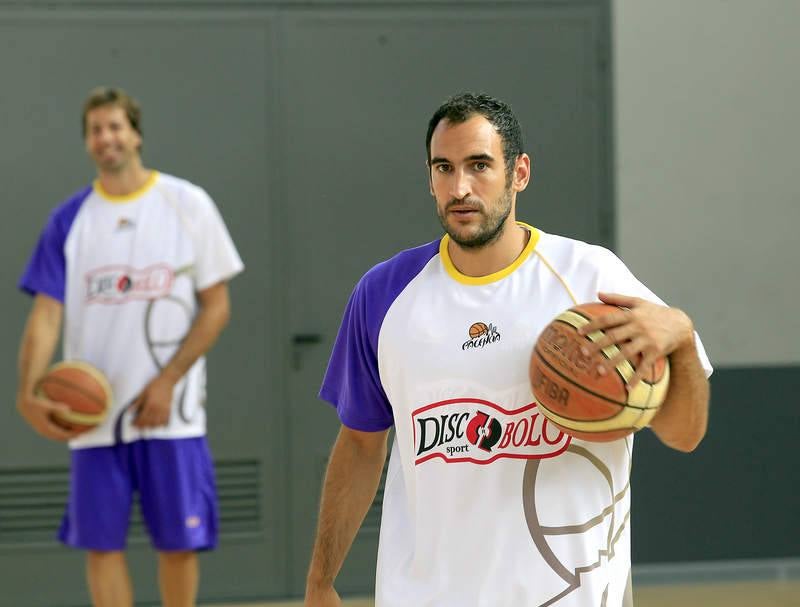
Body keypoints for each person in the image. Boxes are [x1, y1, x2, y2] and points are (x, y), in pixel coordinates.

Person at [304, 92, 711, 607]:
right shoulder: (384, 295)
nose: (460, 188)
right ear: (429, 178)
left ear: (519, 173)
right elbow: (361, 445)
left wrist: (681, 337)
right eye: (444, 168)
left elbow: (685, 434)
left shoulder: (590, 280)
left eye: (479, 166)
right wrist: (320, 580)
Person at [16, 86, 244, 607]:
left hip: (171, 412)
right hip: (91, 415)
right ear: (87, 142)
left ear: (136, 134)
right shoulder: (69, 220)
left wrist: (167, 381)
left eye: (115, 126)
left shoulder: (187, 204)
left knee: (179, 544)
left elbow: (217, 307)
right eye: (95, 130)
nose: (106, 138)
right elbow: (46, 315)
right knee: (101, 545)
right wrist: (28, 393)